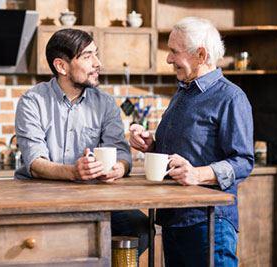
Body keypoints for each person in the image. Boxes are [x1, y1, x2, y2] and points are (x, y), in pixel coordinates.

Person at [130, 17, 254, 266]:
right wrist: (152, 146)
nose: (168, 59)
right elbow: (183, 151)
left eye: (174, 51)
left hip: (209, 221)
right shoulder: (184, 92)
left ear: (200, 54)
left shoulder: (231, 97)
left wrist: (197, 174)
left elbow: (243, 162)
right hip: (174, 217)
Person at [15, 28, 150, 254]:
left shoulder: (105, 103)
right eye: (87, 56)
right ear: (62, 66)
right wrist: (73, 172)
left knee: (140, 228)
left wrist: (118, 168)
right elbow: (35, 163)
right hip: (42, 202)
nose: (97, 63)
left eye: (96, 54)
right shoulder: (33, 102)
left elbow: (121, 153)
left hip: (94, 201)